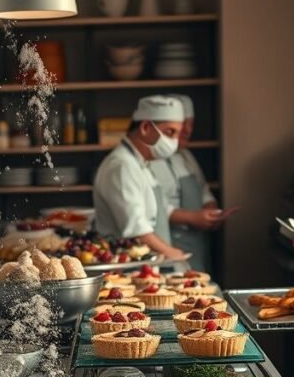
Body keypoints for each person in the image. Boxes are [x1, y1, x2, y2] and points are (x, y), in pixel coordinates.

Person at [92, 95, 189, 261]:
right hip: (127, 268)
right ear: (145, 127)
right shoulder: (122, 165)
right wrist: (173, 255)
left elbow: (158, 212)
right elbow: (137, 230)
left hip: (147, 264)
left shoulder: (140, 164)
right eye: (170, 132)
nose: (174, 141)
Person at [149, 93, 224, 271]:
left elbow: (203, 189)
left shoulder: (186, 155)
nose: (188, 130)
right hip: (171, 241)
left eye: (191, 123)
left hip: (197, 240)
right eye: (183, 124)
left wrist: (211, 208)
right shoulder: (151, 160)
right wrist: (192, 217)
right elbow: (156, 206)